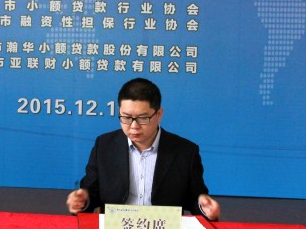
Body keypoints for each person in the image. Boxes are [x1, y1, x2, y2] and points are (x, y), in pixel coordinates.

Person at [66, 78, 220, 220]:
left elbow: (195, 199)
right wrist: (82, 200)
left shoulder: (185, 152)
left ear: (159, 114)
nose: (134, 126)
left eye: (142, 118)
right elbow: (90, 193)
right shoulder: (104, 146)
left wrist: (205, 208)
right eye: (126, 117)